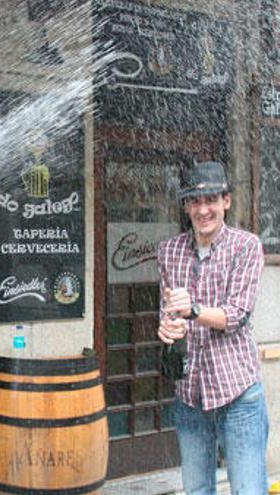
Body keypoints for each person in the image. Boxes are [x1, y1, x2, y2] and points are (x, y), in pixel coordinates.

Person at [156, 161, 268, 494]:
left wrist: (192, 310)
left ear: (226, 202)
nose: (203, 210)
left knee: (248, 490)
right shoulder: (169, 250)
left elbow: (236, 315)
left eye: (211, 201)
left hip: (239, 395)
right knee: (197, 491)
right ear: (187, 206)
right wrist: (166, 328)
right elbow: (169, 311)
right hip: (190, 395)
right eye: (195, 202)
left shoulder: (246, 246)